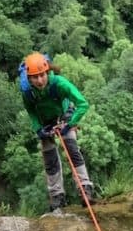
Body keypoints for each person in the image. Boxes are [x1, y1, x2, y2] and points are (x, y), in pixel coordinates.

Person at [20, 51, 96, 213]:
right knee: (50, 159)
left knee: (72, 149)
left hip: (64, 117)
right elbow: (31, 111)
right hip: (45, 123)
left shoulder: (60, 84)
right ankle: (57, 196)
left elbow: (82, 104)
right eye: (35, 77)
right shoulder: (27, 92)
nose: (40, 80)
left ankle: (85, 188)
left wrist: (70, 125)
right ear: (28, 77)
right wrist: (38, 129)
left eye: (42, 75)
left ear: (47, 72)